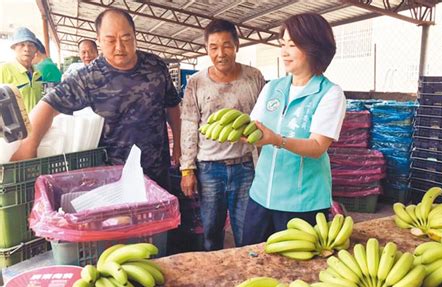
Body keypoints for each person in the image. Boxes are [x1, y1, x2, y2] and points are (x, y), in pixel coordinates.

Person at [12, 8, 181, 191]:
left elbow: (172, 106)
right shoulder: (89, 77)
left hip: (157, 170)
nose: (119, 47)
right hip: (115, 177)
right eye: (110, 40)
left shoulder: (156, 66)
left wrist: (178, 145)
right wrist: (29, 143)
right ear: (99, 41)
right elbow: (49, 104)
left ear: (135, 36)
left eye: (126, 38)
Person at [241, 13, 347, 245]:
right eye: (283, 44)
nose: (284, 52)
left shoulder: (329, 93)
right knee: (251, 258)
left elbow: (318, 146)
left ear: (314, 47)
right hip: (261, 196)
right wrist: (245, 133)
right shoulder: (273, 88)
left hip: (301, 203)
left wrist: (276, 139)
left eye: (293, 45)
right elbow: (256, 126)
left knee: (294, 271)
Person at [180, 19, 266, 250]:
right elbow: (189, 125)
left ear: (237, 45)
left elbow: (265, 121)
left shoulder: (254, 77)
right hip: (209, 168)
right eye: (214, 47)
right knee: (211, 231)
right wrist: (187, 169)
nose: (221, 53)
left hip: (246, 165)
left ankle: (248, 278)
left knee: (247, 230)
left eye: (226, 45)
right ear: (207, 49)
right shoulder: (196, 83)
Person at [0, 27, 43, 112]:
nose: (26, 49)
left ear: (36, 50)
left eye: (31, 45)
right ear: (14, 48)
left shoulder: (38, 73)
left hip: (35, 123)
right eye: (22, 45)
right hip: (14, 124)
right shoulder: (3, 70)